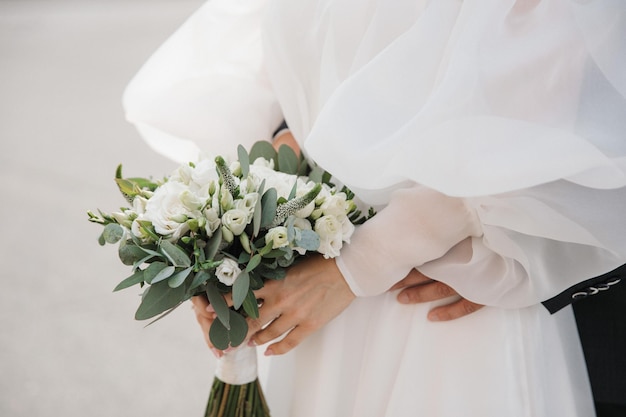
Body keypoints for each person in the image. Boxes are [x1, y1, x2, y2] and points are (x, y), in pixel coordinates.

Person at [123, 1, 626, 416]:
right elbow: (304, 61)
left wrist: (360, 265)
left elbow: (545, 113)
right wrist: (238, 236)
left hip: (442, 282)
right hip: (314, 288)